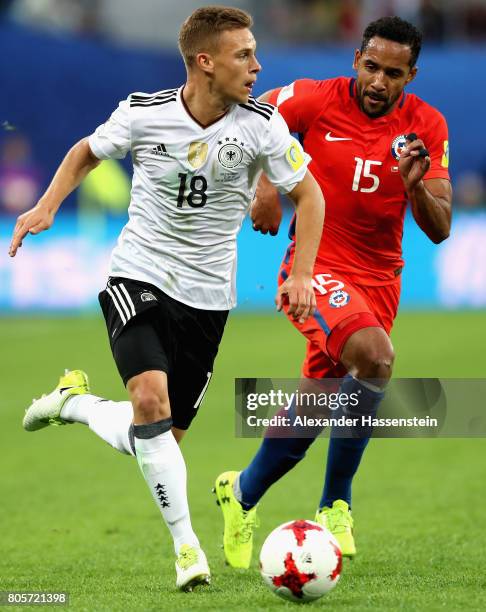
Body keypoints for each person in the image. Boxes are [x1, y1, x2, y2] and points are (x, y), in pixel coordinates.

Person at [9, 6, 324, 591]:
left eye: (255, 53)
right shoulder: (142, 114)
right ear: (205, 63)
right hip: (140, 274)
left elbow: (309, 195)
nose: (257, 66)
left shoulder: (262, 126)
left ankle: (72, 404)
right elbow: (85, 150)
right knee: (150, 401)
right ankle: (188, 552)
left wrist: (302, 272)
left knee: (153, 440)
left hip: (208, 298)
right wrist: (47, 205)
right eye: (243, 55)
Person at [215, 16, 452, 569]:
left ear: (410, 75)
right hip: (315, 269)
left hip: (381, 282)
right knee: (374, 358)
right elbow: (255, 115)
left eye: (393, 73)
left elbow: (440, 228)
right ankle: (336, 503)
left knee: (315, 405)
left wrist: (416, 187)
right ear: (356, 60)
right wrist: (268, 185)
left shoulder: (427, 126)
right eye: (371, 67)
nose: (378, 82)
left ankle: (241, 493)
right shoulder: (315, 99)